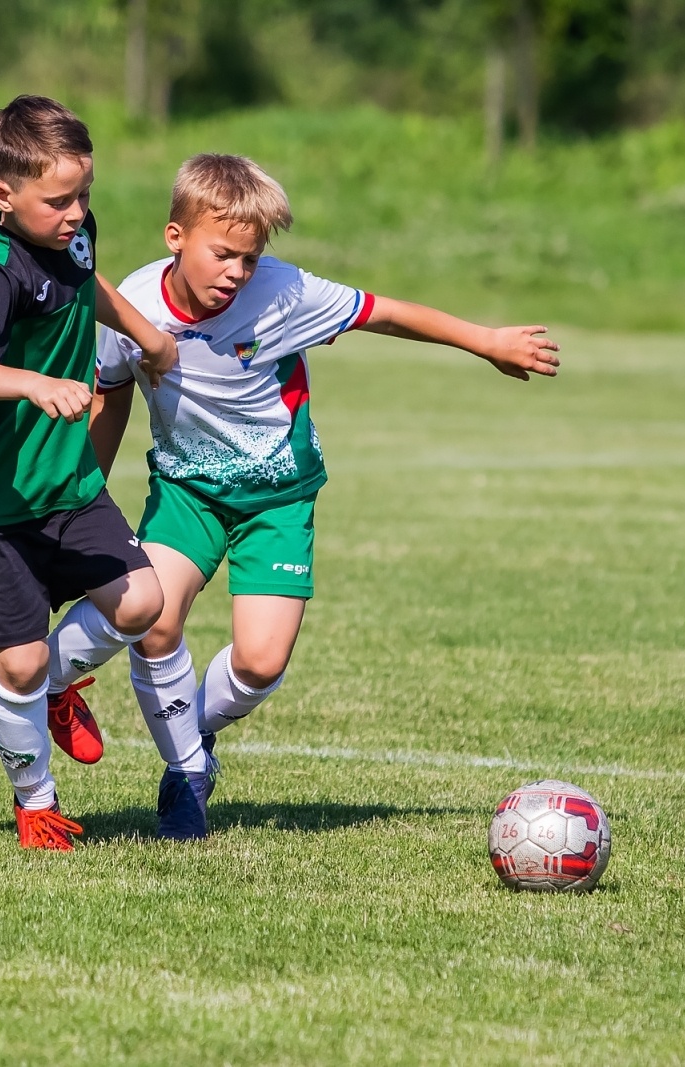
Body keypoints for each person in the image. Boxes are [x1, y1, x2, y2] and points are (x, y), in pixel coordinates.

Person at [90, 153, 561, 840]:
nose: (236, 273)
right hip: (187, 490)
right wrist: (89, 499)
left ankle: (194, 727)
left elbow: (386, 313)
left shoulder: (283, 293)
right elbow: (113, 389)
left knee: (259, 662)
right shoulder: (129, 302)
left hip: (278, 498)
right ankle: (188, 777)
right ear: (175, 236)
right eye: (223, 255)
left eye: (249, 260)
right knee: (153, 619)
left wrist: (486, 340)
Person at [0, 96, 180, 851]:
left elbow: (85, 282)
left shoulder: (72, 235)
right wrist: (33, 383)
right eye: (58, 200)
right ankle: (35, 800)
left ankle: (60, 686)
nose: (75, 213)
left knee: (141, 601)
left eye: (84, 195)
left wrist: (143, 332)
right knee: (21, 655)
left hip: (65, 483)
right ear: (3, 197)